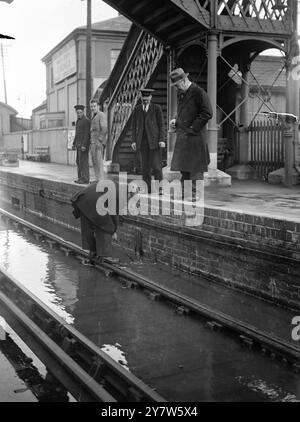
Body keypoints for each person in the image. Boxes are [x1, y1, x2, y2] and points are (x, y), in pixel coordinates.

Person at [169, 68, 212, 199]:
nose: (176, 88)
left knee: (195, 168)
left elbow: (207, 113)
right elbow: (185, 112)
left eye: (176, 85)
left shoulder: (199, 92)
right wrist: (175, 120)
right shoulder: (183, 93)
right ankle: (186, 193)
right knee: (185, 167)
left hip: (195, 137)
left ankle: (194, 194)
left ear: (183, 81)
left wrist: (193, 128)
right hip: (184, 137)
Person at [71, 182, 119, 264]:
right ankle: (105, 256)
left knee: (87, 226)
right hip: (93, 201)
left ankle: (93, 252)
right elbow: (113, 213)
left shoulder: (114, 185)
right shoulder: (119, 194)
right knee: (106, 226)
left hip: (82, 200)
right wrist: (114, 230)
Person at [131, 88, 165, 194]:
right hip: (142, 142)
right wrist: (133, 141)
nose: (145, 99)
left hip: (154, 142)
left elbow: (161, 125)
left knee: (157, 167)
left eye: (147, 97)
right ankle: (147, 188)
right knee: (145, 167)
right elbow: (133, 126)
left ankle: (160, 188)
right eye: (143, 97)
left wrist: (161, 140)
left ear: (151, 97)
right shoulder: (137, 109)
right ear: (141, 97)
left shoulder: (156, 108)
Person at [90, 99, 107, 182]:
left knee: (99, 162)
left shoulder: (101, 115)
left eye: (94, 106)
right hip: (93, 143)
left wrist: (100, 140)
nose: (93, 108)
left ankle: (101, 180)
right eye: (91, 106)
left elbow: (104, 128)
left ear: (98, 106)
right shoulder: (94, 115)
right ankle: (97, 179)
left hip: (98, 143)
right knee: (94, 162)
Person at [72, 105, 90, 184]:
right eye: (78, 113)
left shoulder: (86, 120)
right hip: (78, 145)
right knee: (78, 162)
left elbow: (87, 134)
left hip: (83, 146)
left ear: (83, 112)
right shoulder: (78, 121)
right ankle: (80, 178)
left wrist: (84, 145)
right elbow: (77, 134)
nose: (79, 114)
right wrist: (73, 143)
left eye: (80, 112)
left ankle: (85, 178)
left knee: (83, 162)